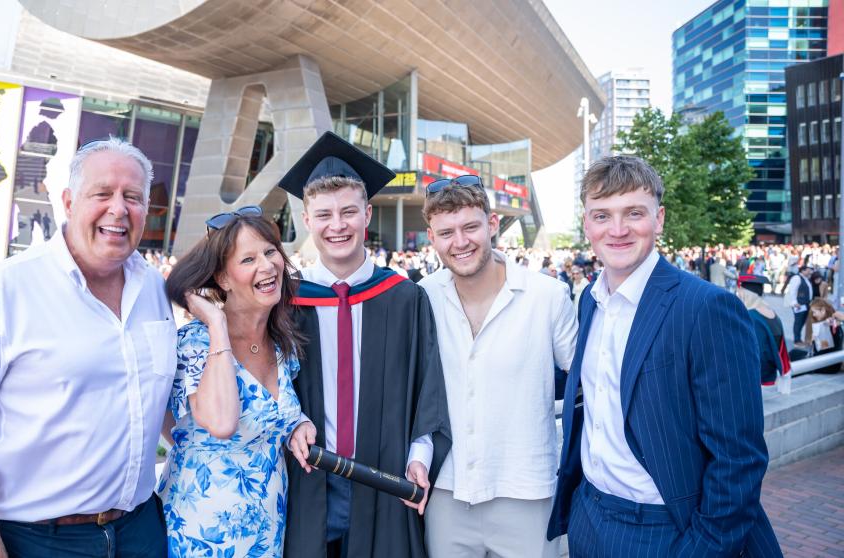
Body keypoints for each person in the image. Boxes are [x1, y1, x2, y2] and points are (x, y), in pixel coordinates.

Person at [0, 137, 174, 558]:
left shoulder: (155, 288)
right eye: (102, 194)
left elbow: (165, 402)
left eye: (133, 197)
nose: (119, 209)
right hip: (38, 541)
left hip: (143, 530)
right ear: (69, 202)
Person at [547, 155, 780, 557]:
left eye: (633, 213)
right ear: (586, 225)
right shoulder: (589, 299)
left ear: (659, 218)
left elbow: (738, 458)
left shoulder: (706, 307)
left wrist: (701, 548)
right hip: (591, 517)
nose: (617, 230)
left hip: (667, 529)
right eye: (602, 216)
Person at [277, 132, 451, 558]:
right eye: (324, 215)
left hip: (385, 480)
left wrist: (420, 459)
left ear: (367, 213)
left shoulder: (404, 297)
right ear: (306, 218)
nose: (337, 225)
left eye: (348, 212)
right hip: (307, 481)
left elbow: (427, 389)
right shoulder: (286, 302)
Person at [418, 176, 576, 557]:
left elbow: (590, 383)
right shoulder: (422, 297)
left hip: (527, 492)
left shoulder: (548, 297)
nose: (460, 241)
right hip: (447, 491)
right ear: (432, 238)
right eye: (447, 232)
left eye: (470, 227)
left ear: (491, 225)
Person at [158, 207, 307, 556]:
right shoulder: (196, 343)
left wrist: (298, 422)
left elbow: (273, 415)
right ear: (223, 279)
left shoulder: (283, 343)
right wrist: (216, 324)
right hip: (202, 528)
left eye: (271, 252)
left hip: (267, 527)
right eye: (248, 259)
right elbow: (221, 423)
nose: (267, 266)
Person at [737, 275, 791, 389]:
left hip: (759, 373)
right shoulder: (772, 312)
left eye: (741, 294)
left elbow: (754, 350)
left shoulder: (751, 316)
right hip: (772, 367)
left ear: (746, 295)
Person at [784, 265, 813, 346]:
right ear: (803, 271)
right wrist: (794, 302)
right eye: (808, 270)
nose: (809, 271)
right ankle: (797, 340)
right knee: (798, 322)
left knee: (802, 321)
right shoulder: (797, 278)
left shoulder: (805, 278)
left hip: (805, 304)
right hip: (799, 305)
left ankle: (799, 339)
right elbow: (792, 290)